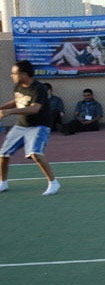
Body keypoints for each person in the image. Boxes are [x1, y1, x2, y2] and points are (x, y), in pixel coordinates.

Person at [0, 60, 61, 196]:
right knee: (3, 154)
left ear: (24, 74)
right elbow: (18, 101)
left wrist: (9, 112)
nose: (11, 76)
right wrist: (2, 108)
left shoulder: (39, 89)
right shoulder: (18, 86)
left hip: (39, 126)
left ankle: (53, 182)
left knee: (35, 154)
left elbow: (35, 108)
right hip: (21, 125)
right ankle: (3, 183)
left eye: (14, 73)